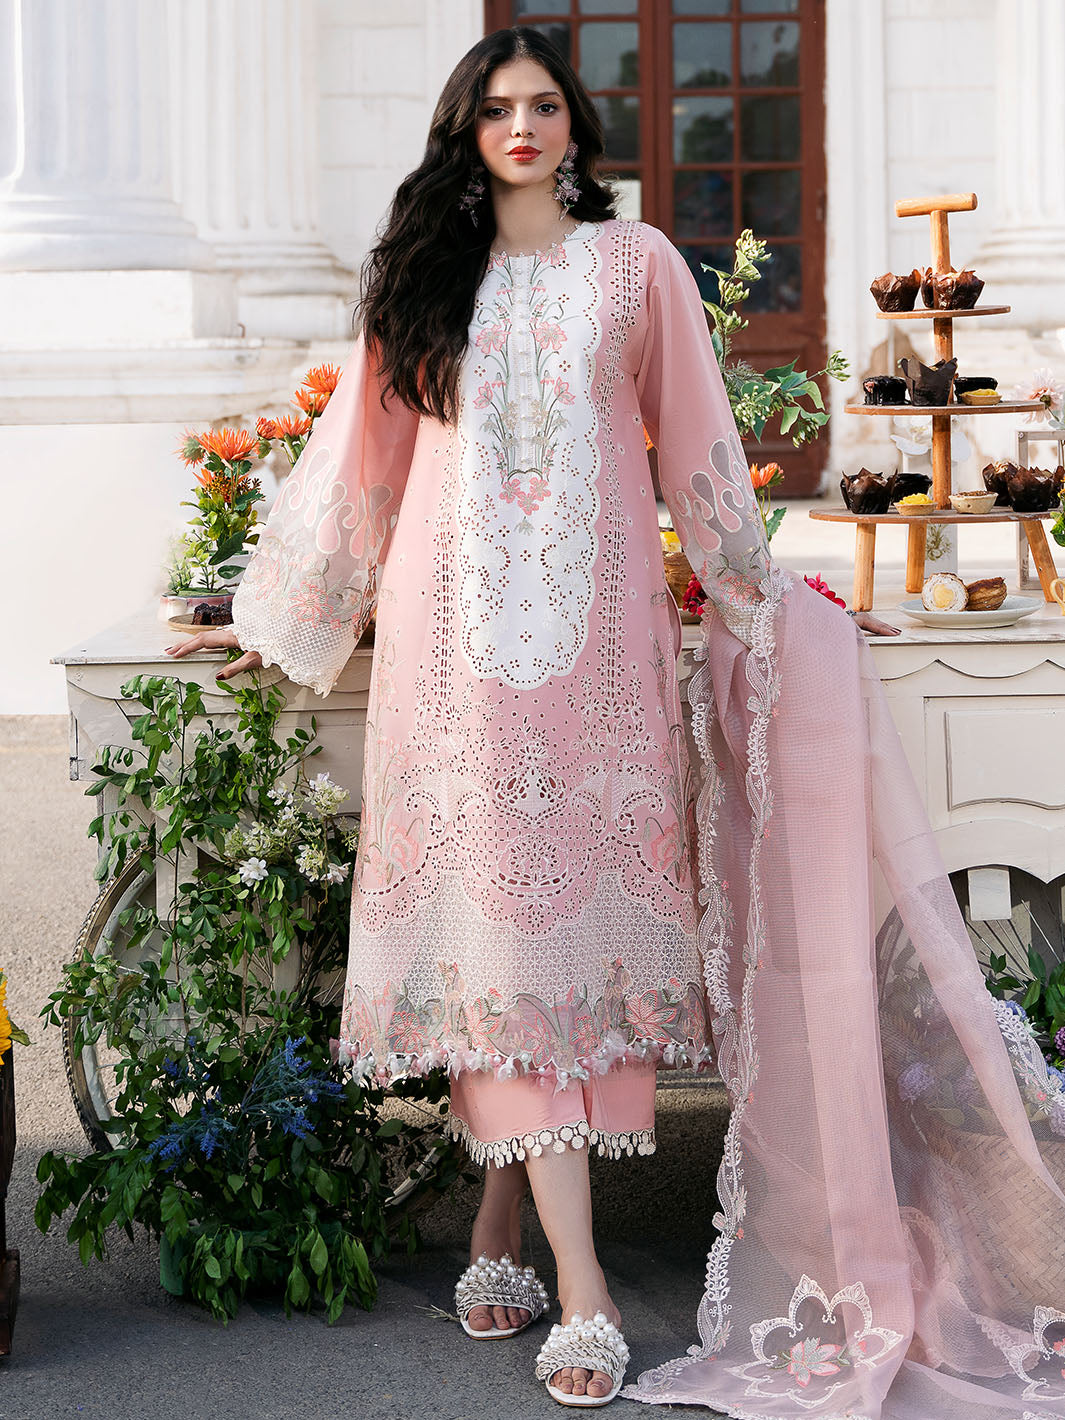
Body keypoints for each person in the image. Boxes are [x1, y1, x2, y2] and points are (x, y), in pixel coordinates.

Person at [167, 27, 1065, 1420]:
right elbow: (363, 466)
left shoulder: (636, 267)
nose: (521, 128)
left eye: (543, 106)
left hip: (598, 657)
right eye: (495, 109)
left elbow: (697, 446)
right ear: (464, 131)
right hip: (451, 654)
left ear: (576, 128)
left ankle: (500, 1226)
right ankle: (583, 1289)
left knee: (568, 948)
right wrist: (273, 611)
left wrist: (765, 596)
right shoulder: (422, 278)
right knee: (490, 938)